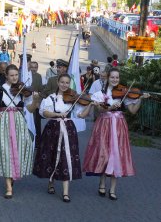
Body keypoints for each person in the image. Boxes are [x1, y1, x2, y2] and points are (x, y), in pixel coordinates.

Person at [79, 68, 150, 201]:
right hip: (104, 125)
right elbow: (99, 110)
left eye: (117, 77)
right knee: (104, 154)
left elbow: (133, 111)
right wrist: (110, 107)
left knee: (117, 154)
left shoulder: (124, 94)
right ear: (108, 78)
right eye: (112, 77)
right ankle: (101, 182)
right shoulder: (100, 93)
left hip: (118, 125)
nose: (115, 80)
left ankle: (112, 188)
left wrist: (140, 99)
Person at [0, 64, 40, 199]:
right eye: (12, 75)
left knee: (20, 150)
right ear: (6, 76)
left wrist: (35, 101)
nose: (14, 77)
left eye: (16, 75)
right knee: (5, 152)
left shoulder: (22, 91)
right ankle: (8, 187)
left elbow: (31, 109)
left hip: (19, 123)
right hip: (4, 123)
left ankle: (13, 176)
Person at [33, 73, 82, 202]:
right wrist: (57, 114)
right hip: (53, 129)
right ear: (58, 82)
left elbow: (80, 114)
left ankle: (66, 192)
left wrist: (90, 105)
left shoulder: (73, 98)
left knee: (67, 157)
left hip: (68, 129)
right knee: (53, 154)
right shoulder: (51, 98)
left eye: (67, 83)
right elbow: (44, 112)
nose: (64, 85)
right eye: (62, 82)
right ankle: (51, 182)